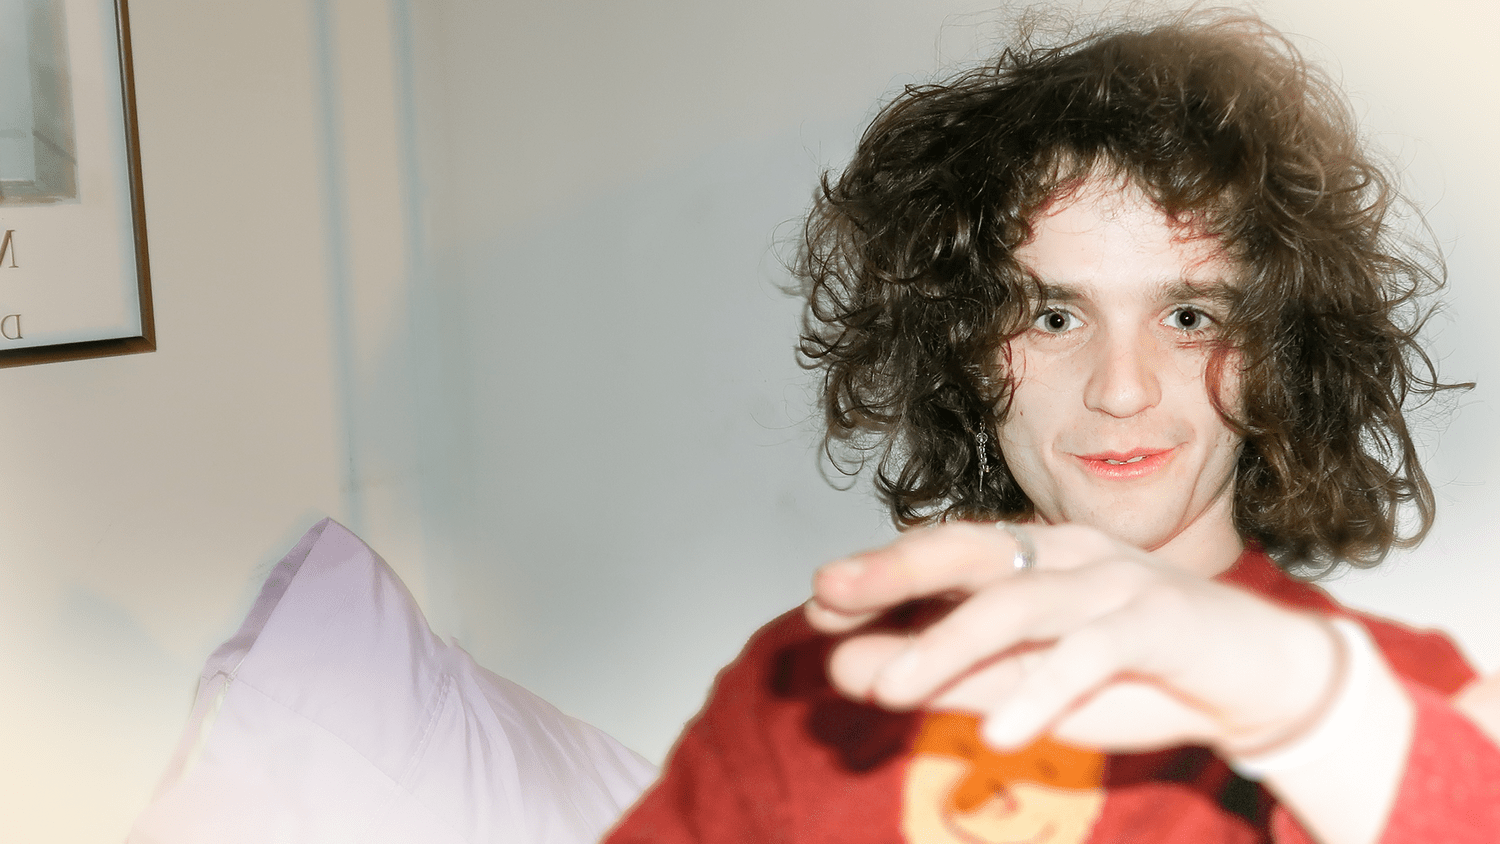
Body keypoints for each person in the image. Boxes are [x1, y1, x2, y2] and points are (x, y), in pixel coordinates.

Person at [605, 9, 1500, 844]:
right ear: (966, 350)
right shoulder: (808, 688)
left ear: (1278, 350)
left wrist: (1317, 721)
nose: (1120, 391)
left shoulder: (1402, 713)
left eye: (1189, 317)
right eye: (1054, 317)